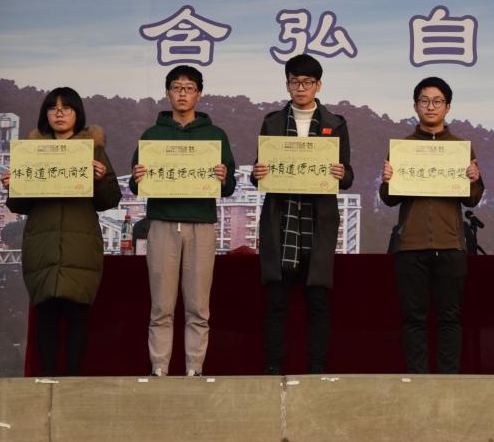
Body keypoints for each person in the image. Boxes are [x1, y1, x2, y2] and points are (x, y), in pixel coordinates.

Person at [3, 87, 121, 377]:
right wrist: (13, 186)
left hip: (80, 244)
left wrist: (101, 180)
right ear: (45, 114)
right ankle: (47, 380)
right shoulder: (32, 151)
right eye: (52, 108)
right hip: (42, 242)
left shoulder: (93, 150)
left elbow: (110, 200)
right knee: (46, 313)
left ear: (77, 114)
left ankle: (72, 382)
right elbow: (19, 205)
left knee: (77, 313)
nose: (59, 113)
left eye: (66, 108)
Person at [130, 65, 237, 377]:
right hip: (162, 222)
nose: (182, 94)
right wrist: (138, 177)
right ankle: (159, 368)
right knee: (161, 306)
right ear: (167, 93)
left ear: (199, 95)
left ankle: (194, 369)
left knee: (198, 306)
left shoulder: (215, 136)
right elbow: (136, 185)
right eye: (177, 88)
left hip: (200, 223)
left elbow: (228, 187)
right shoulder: (152, 135)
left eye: (189, 88)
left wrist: (223, 177)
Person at [252, 54, 353, 375]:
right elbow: (260, 172)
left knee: (318, 304)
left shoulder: (336, 123)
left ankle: (317, 372)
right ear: (287, 85)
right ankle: (273, 370)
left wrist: (341, 173)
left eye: (307, 82)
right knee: (276, 304)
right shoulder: (272, 122)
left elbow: (347, 175)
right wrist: (257, 173)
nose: (300, 87)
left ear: (318, 85)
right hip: (281, 222)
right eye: (295, 81)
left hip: (317, 223)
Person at [379, 77, 484, 373]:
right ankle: (418, 382)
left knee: (450, 318)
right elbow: (388, 199)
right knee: (413, 319)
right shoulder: (403, 148)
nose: (430, 106)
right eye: (424, 101)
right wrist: (387, 180)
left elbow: (473, 199)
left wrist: (474, 179)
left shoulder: (461, 148)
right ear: (415, 106)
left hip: (451, 244)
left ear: (447, 107)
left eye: (437, 101)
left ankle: (448, 382)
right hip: (410, 245)